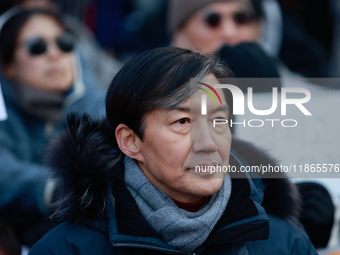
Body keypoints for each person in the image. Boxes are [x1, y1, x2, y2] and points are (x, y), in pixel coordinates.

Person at [29, 47, 316, 254]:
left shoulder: (284, 243)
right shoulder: (68, 248)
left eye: (218, 121)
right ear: (131, 141)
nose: (208, 144)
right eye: (183, 121)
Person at [0, 7, 105, 247]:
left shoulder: (104, 106)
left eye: (65, 43)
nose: (55, 54)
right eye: (37, 47)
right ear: (8, 65)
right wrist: (54, 187)